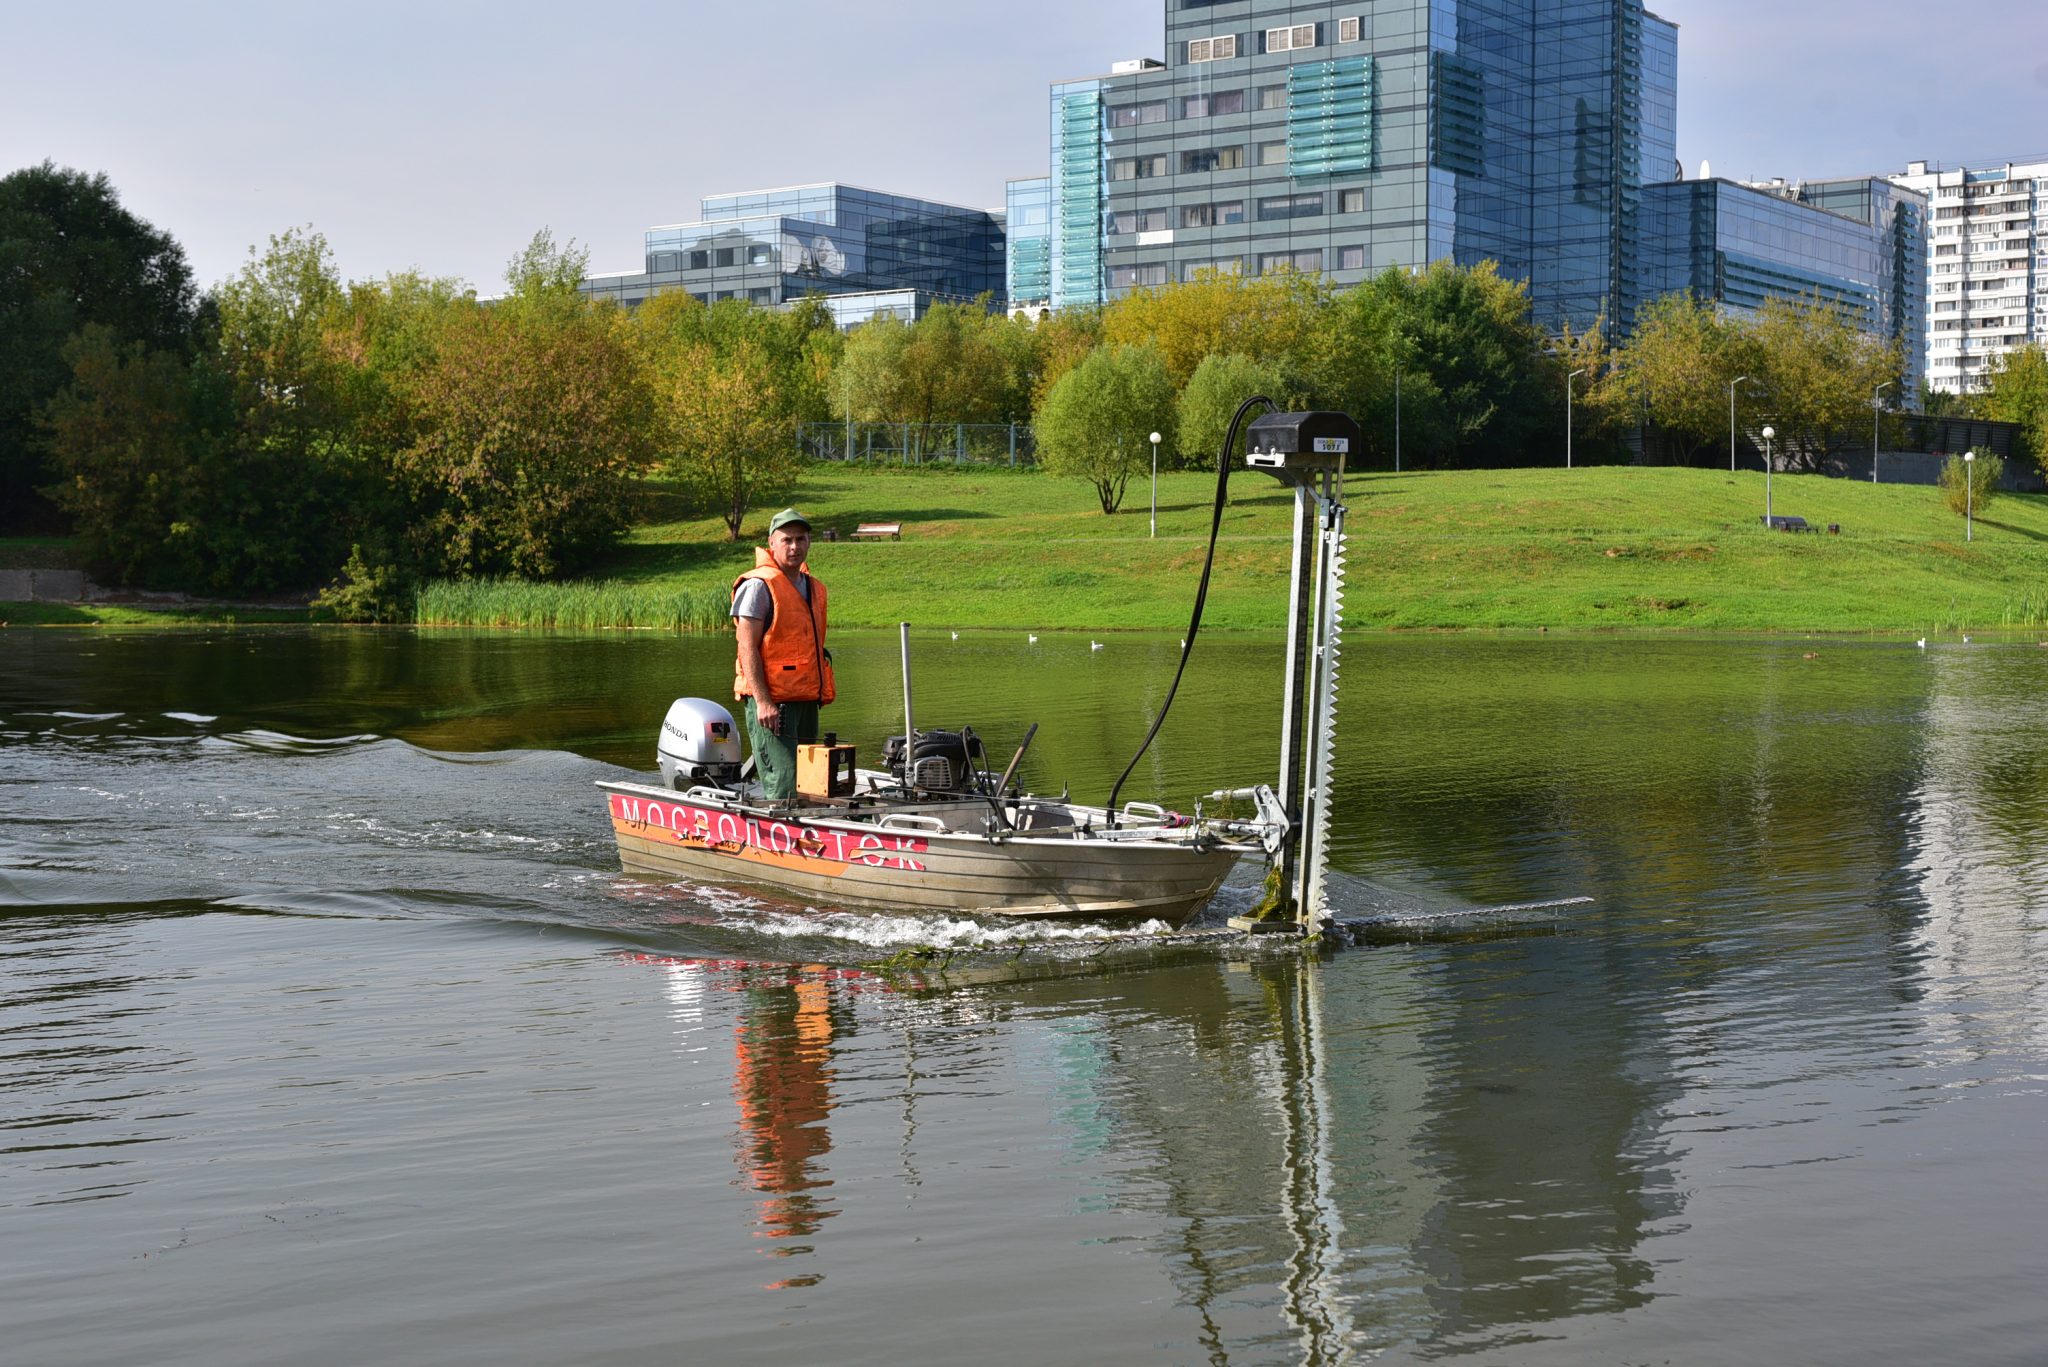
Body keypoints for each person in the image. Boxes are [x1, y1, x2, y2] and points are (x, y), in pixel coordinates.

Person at [731, 508, 835, 801]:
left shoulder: (813, 588)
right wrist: (763, 702)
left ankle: (812, 839)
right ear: (771, 543)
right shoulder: (758, 586)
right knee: (785, 784)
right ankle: (778, 841)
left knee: (813, 783)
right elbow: (746, 646)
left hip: (806, 702)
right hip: (773, 704)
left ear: (809, 542)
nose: (794, 546)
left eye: (800, 539)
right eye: (786, 540)